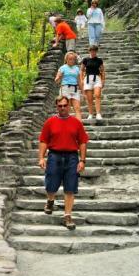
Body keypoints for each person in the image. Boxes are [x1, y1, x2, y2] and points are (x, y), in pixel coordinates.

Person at [38, 95, 89, 230]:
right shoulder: (50, 122)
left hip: (72, 157)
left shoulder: (77, 123)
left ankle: (67, 216)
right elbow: (43, 141)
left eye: (65, 105)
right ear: (57, 107)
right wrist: (41, 158)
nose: (63, 108)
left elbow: (83, 142)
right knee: (51, 184)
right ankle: (50, 200)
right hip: (54, 156)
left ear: (69, 106)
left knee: (70, 187)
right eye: (60, 106)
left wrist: (82, 160)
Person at [55, 52, 83, 121]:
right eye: (70, 59)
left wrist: (83, 91)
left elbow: (79, 81)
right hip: (65, 89)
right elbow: (56, 81)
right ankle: (67, 125)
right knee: (67, 108)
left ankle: (79, 127)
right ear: (66, 59)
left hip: (75, 89)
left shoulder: (76, 68)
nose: (72, 61)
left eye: (73, 59)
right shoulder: (62, 68)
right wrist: (59, 77)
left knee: (77, 108)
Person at [81, 44, 105, 120]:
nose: (93, 52)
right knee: (89, 98)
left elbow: (102, 70)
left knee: (97, 95)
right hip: (88, 79)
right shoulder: (85, 60)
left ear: (96, 51)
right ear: (89, 51)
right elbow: (81, 70)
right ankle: (90, 114)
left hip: (97, 78)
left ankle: (98, 114)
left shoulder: (99, 60)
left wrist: (103, 79)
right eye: (92, 51)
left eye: (94, 51)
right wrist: (81, 80)